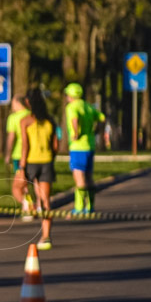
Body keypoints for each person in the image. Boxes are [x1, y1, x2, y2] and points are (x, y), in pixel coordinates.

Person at [20, 88, 59, 250]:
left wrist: (22, 166)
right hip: (47, 161)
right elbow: (56, 144)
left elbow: (25, 145)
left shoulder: (26, 121)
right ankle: (46, 235)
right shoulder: (50, 120)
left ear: (28, 103)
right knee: (46, 200)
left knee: (22, 188)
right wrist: (51, 157)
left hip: (32, 161)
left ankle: (30, 207)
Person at [64, 83, 105, 215]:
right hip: (90, 145)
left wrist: (75, 133)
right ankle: (91, 205)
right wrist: (96, 129)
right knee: (89, 176)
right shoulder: (87, 106)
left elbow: (74, 119)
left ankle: (79, 206)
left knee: (79, 177)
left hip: (78, 147)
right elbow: (101, 117)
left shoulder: (71, 107)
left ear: (70, 95)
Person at [5, 94, 33, 218]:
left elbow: (11, 137)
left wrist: (7, 154)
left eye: (13, 103)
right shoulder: (32, 115)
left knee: (17, 187)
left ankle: (28, 205)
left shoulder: (13, 118)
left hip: (18, 154)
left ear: (17, 103)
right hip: (33, 154)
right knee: (25, 183)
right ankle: (29, 207)